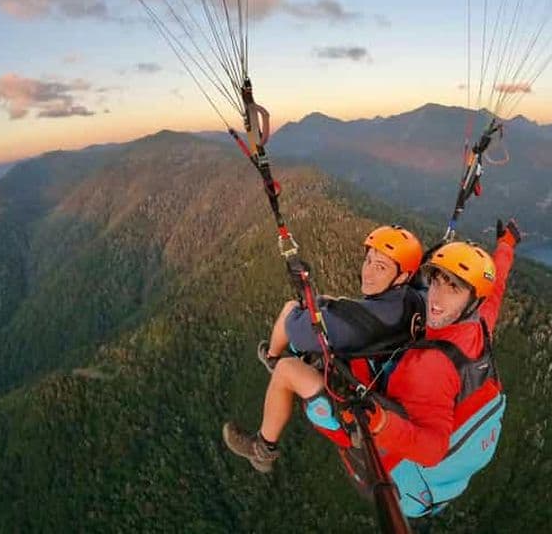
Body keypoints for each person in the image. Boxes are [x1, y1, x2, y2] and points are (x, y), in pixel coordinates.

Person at [222, 225, 425, 472]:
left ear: (403, 277)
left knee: (287, 358)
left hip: (357, 411)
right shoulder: (415, 298)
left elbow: (297, 329)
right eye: (369, 260)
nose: (368, 273)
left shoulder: (362, 324)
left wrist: (308, 306)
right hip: (376, 374)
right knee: (332, 303)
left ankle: (262, 449)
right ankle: (272, 358)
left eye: (380, 267)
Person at [357, 218, 521, 517]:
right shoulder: (479, 323)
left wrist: (381, 424)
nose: (435, 298)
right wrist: (506, 245)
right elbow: (495, 286)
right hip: (461, 421)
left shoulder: (428, 365)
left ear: (470, 300)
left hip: (406, 472)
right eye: (436, 282)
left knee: (325, 387)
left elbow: (432, 451)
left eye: (453, 288)